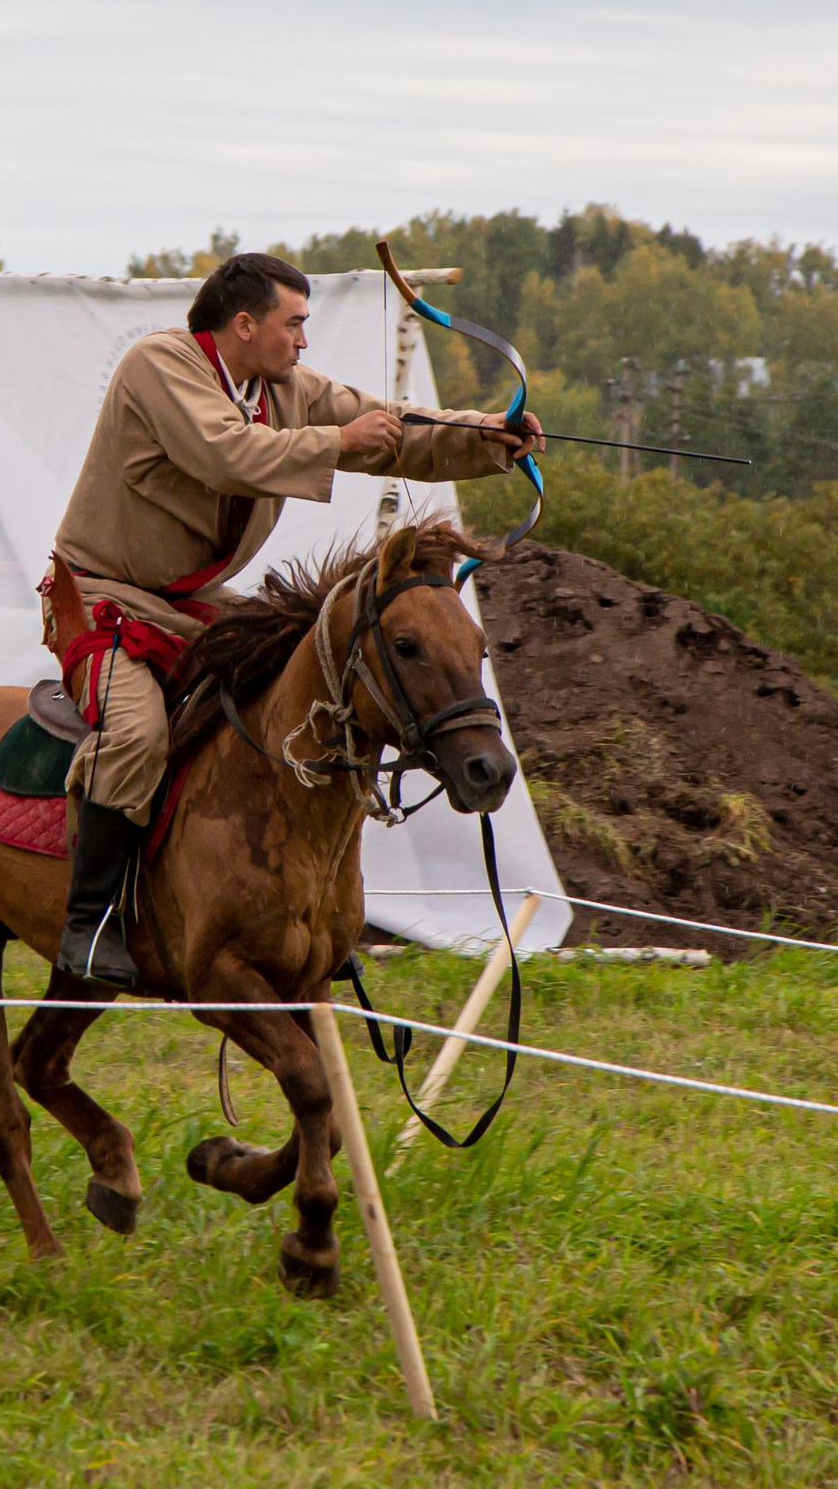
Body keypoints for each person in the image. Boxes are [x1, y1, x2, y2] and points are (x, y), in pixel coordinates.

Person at [44, 251, 540, 986]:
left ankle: (302, 904)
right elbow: (225, 453)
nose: (304, 341)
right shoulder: (159, 365)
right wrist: (342, 442)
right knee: (138, 733)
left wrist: (488, 436)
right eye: (294, 324)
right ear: (245, 325)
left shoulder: (284, 389)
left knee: (305, 675)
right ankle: (91, 924)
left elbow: (398, 428)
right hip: (102, 597)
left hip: (190, 605)